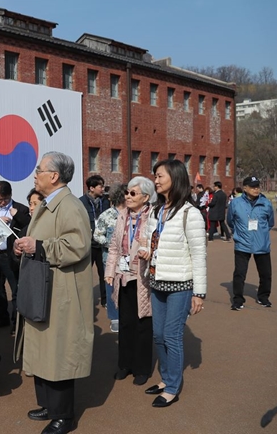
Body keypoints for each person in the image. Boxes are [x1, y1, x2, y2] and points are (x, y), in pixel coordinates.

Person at [14, 152, 93, 434]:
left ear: (54, 176)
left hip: (60, 291)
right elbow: (43, 240)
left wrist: (40, 247)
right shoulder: (49, 204)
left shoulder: (69, 205)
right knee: (43, 351)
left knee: (57, 353)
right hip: (43, 288)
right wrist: (25, 245)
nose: (35, 174)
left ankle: (64, 416)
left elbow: (77, 246)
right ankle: (48, 404)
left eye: (39, 169)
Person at [140, 159, 206, 408]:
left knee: (171, 335)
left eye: (160, 176)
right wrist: (145, 251)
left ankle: (173, 387)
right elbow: (149, 241)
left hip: (180, 284)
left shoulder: (191, 213)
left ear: (175, 178)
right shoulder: (157, 211)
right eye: (155, 176)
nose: (156, 180)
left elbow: (199, 255)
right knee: (158, 335)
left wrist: (199, 293)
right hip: (157, 281)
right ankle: (166, 378)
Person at [105, 178, 156, 386]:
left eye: (133, 193)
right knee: (125, 322)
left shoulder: (152, 216)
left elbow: (155, 242)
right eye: (127, 192)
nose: (127, 196)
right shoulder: (122, 216)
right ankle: (124, 364)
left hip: (143, 277)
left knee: (143, 322)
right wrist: (110, 271)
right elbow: (115, 247)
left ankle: (142, 368)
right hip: (123, 275)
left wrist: (149, 252)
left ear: (145, 197)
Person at [0, 181, 30, 331]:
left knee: (15, 288)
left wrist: (16, 215)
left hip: (11, 255)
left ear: (10, 195)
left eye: (5, 199)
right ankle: (1, 317)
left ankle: (16, 322)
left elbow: (29, 225)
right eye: (0, 199)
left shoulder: (20, 208)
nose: (2, 202)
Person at [227, 176, 275, 310]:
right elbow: (230, 221)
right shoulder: (235, 203)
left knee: (265, 274)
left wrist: (261, 233)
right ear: (245, 188)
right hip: (242, 243)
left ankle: (263, 297)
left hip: (262, 244)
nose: (256, 189)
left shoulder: (266, 203)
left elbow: (270, 223)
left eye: (258, 186)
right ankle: (238, 299)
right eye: (253, 186)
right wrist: (238, 233)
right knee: (239, 273)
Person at [93, 184, 128, 333]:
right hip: (110, 259)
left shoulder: (132, 214)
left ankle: (128, 315)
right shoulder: (106, 215)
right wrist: (111, 243)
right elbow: (97, 235)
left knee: (128, 288)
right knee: (111, 287)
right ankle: (114, 318)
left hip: (129, 260)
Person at [79, 174, 111, 307]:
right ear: (91, 188)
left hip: (103, 244)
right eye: (100, 186)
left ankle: (106, 301)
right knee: (84, 275)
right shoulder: (81, 202)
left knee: (104, 274)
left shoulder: (105, 201)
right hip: (88, 245)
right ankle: (84, 302)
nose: (103, 189)